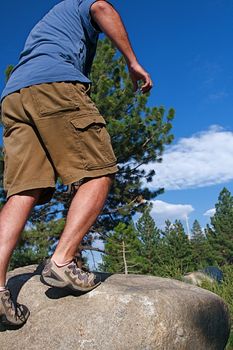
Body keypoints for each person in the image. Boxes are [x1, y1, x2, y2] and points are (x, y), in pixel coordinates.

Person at [0, 0, 153, 327]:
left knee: (23, 191)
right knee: (98, 171)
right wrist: (132, 62)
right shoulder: (81, 3)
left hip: (14, 96)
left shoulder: (48, 22)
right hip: (54, 86)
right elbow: (102, 8)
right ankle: (62, 261)